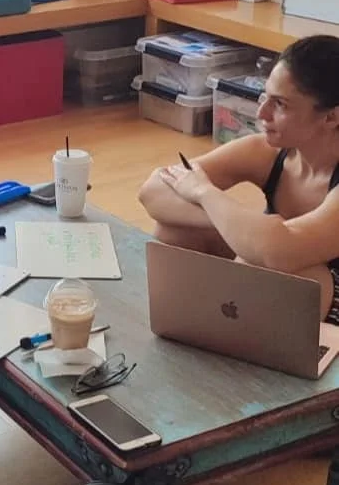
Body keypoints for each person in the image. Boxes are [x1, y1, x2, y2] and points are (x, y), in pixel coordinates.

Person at [138, 35, 339, 324]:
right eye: (265, 96)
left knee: (273, 265)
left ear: (331, 117)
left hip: (330, 308)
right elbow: (153, 192)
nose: (261, 113)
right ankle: (189, 328)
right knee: (176, 232)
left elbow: (280, 252)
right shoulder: (268, 152)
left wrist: (206, 193)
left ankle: (238, 349)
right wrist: (237, 226)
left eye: (280, 104)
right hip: (278, 275)